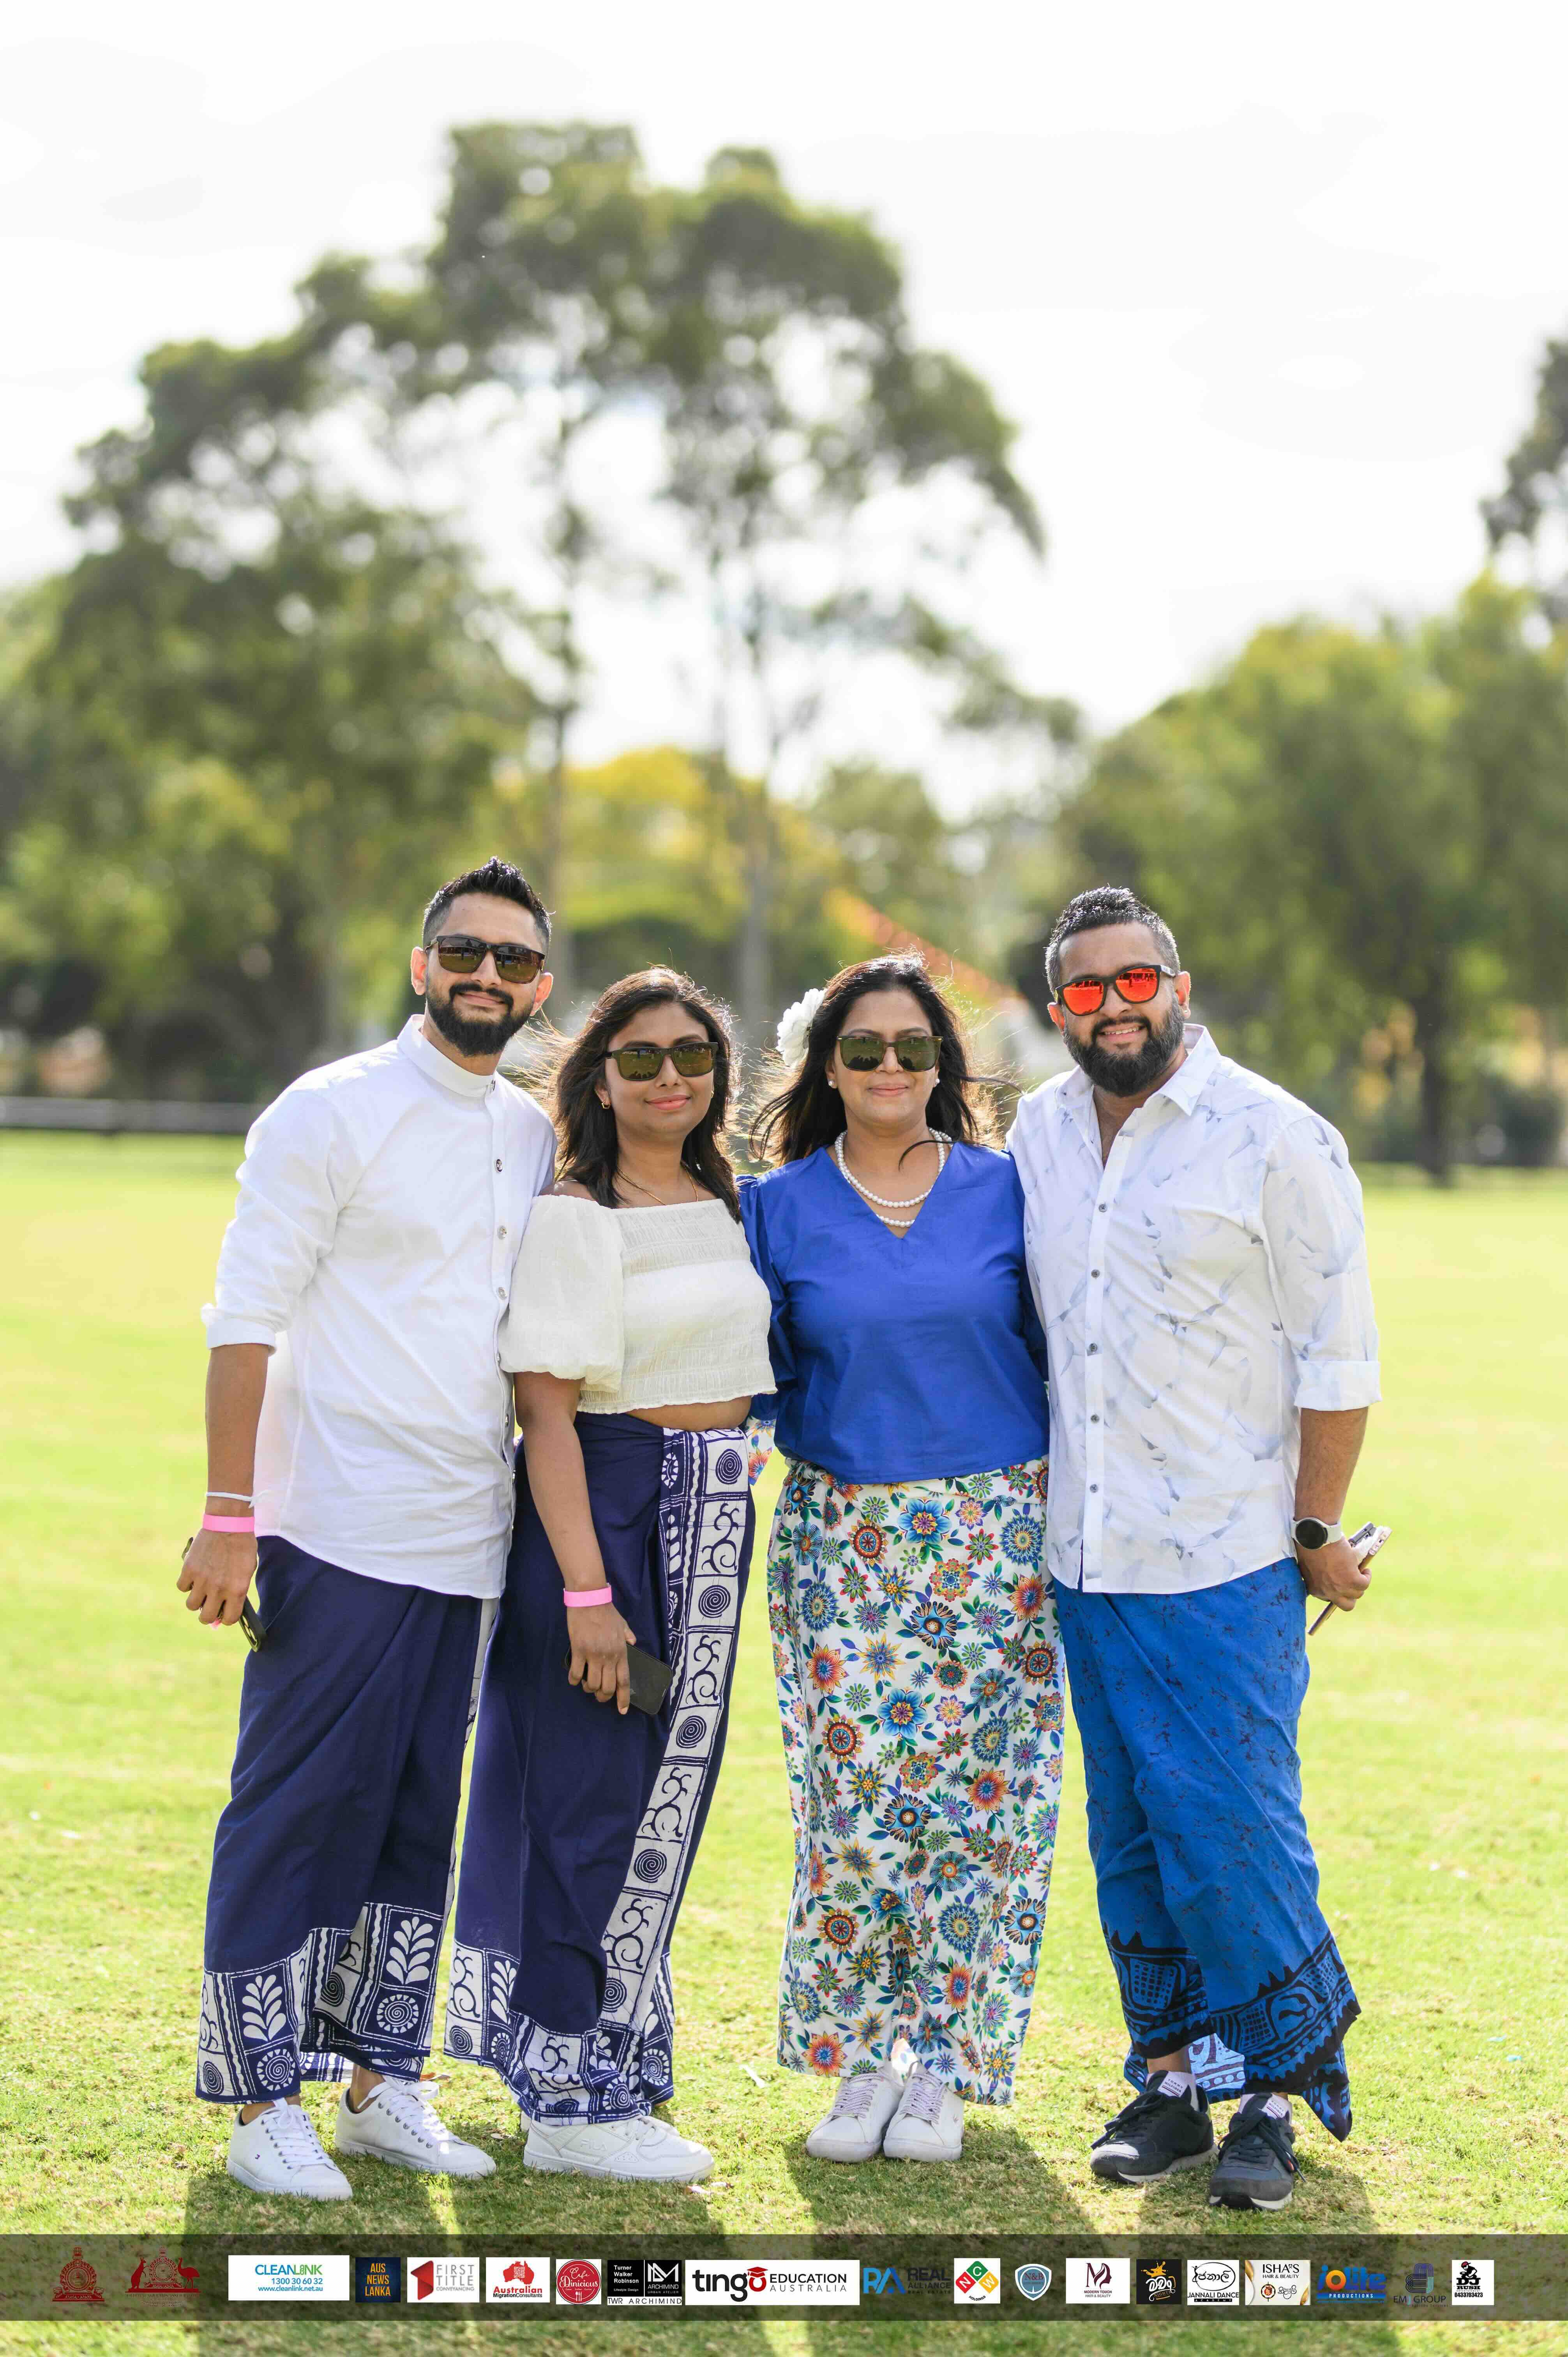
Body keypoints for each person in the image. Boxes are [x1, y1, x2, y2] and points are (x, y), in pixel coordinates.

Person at [183, 857, 557, 2198]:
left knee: (414, 1820)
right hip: (333, 1528)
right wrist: (230, 1517)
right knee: (293, 1810)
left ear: (538, 987)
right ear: (422, 964)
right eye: (464, 951)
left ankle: (383, 2079)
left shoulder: (529, 1134)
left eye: (512, 962)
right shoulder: (330, 1111)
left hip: (468, 1538)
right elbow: (245, 1321)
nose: (485, 977)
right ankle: (256, 2099)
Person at [1007, 884, 1381, 2212]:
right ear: (1061, 1011)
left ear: (1178, 979)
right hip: (1086, 1556)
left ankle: (1275, 2099)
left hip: (1226, 1555)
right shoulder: (1038, 1132)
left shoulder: (1276, 1136)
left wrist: (1313, 1532)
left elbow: (1339, 1361)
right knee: (1133, 1835)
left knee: (1239, 1835)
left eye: (1138, 979)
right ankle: (1169, 2081)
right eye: (1089, 989)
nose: (1118, 1005)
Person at [445, 970, 773, 2183]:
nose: (671, 1077)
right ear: (599, 1077)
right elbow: (549, 1414)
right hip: (614, 1522)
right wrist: (589, 1593)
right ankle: (567, 2096)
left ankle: (616, 2066)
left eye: (693, 1056)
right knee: (588, 1793)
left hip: (713, 1524)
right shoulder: (580, 1213)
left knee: (656, 1809)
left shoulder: (724, 1200)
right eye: (640, 1060)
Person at [741, 954, 1059, 2166]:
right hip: (844, 1543)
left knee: (984, 1813)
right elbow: (748, 1378)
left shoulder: (1009, 1193)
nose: (889, 1068)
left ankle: (944, 2068)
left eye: (913, 1050)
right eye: (864, 1049)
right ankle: (858, 2062)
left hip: (996, 1535)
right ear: (828, 1065)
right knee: (856, 1810)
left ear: (943, 1066)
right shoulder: (774, 1206)